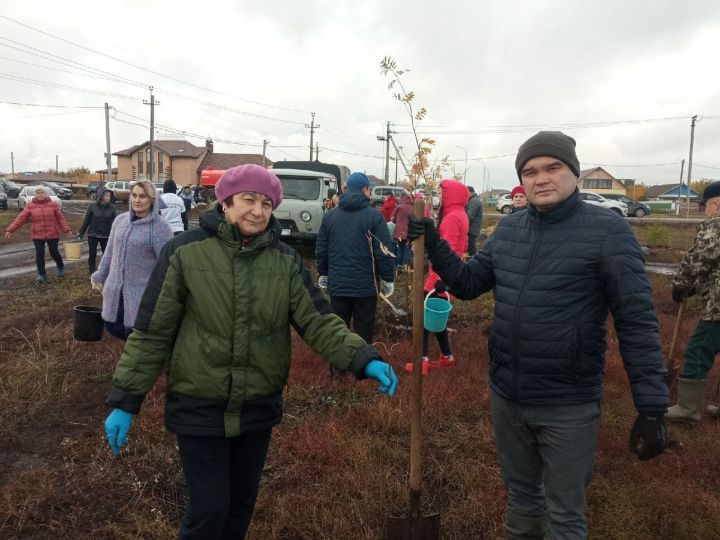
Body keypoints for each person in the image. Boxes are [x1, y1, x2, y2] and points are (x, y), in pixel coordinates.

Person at [103, 164, 398, 540]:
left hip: (257, 405)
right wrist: (126, 400)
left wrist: (363, 357)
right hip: (199, 402)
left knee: (241, 505)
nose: (257, 211)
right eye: (247, 200)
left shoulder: (285, 262)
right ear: (225, 202)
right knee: (209, 511)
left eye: (266, 203)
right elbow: (151, 333)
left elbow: (318, 321)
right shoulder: (184, 253)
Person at [408, 131, 668, 539]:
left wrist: (652, 407)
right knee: (523, 497)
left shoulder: (608, 232)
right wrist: (433, 239)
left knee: (564, 512)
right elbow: (469, 282)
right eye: (530, 171)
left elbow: (637, 321)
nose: (541, 179)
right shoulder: (510, 230)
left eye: (553, 168)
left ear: (574, 174)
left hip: (568, 403)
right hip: (508, 395)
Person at [316, 172, 395, 347]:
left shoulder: (330, 216)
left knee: (338, 328)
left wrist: (323, 273)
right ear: (365, 189)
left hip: (338, 285)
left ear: (347, 189)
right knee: (364, 328)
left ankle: (337, 369)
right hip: (365, 287)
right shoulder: (374, 216)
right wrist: (388, 278)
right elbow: (383, 251)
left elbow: (322, 249)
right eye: (369, 189)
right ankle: (363, 365)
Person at [91, 181, 173, 340]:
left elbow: (168, 265)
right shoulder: (120, 221)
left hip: (141, 296)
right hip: (115, 291)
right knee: (112, 326)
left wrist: (165, 296)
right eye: (134, 195)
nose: (137, 200)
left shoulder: (160, 228)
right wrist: (100, 274)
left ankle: (136, 362)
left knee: (134, 336)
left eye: (142, 196)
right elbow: (109, 252)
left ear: (152, 200)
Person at [667, 180, 720, 422]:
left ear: (716, 203)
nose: (705, 210)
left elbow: (701, 258)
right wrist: (696, 289)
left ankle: (687, 410)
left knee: (699, 349)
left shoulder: (717, 223)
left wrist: (681, 284)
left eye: (705, 205)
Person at [405, 179, 469, 375]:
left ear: (450, 196)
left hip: (439, 277)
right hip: (445, 274)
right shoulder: (460, 214)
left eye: (442, 193)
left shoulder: (451, 218)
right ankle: (447, 356)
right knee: (437, 318)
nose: (440, 197)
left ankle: (421, 361)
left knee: (424, 318)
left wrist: (440, 279)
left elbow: (446, 248)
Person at [4, 186, 72, 283]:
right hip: (37, 235)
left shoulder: (53, 205)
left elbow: (60, 219)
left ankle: (60, 266)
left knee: (54, 253)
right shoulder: (30, 206)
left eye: (42, 193)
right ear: (35, 194)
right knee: (39, 254)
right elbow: (20, 219)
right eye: (38, 193)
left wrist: (67, 230)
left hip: (52, 234)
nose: (40, 195)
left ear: (45, 194)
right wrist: (10, 230)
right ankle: (41, 275)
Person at [77, 188, 117, 273]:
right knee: (92, 253)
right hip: (93, 234)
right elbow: (86, 220)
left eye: (109, 196)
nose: (108, 198)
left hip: (106, 234)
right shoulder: (92, 206)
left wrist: (118, 233)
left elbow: (116, 222)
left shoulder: (112, 208)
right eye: (106, 195)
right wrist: (81, 232)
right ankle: (92, 271)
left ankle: (105, 270)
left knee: (106, 254)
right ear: (101, 196)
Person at [393, 192, 415, 270]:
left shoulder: (399, 207)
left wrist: (397, 222)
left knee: (400, 248)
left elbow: (393, 218)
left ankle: (399, 265)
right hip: (410, 232)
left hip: (399, 233)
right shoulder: (413, 208)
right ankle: (406, 267)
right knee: (408, 249)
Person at [465, 185, 483, 256]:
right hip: (473, 228)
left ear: (469, 192)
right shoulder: (473, 200)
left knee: (471, 247)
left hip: (472, 229)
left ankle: (472, 261)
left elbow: (469, 216)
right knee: (471, 246)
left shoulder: (474, 201)